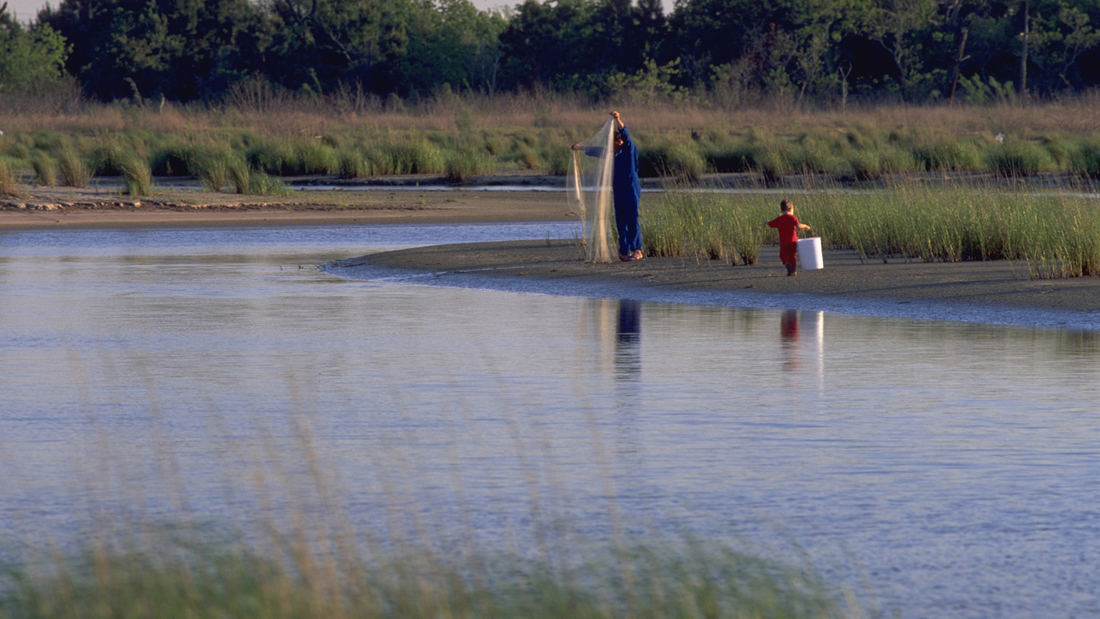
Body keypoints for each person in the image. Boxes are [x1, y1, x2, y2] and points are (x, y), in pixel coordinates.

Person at [572, 111, 644, 261]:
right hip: (618, 191)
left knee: (632, 219)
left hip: (631, 189)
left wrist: (618, 119)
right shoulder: (611, 153)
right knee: (620, 221)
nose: (617, 143)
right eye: (614, 142)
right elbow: (597, 151)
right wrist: (580, 147)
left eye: (619, 141)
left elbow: (626, 135)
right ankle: (624, 251)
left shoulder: (629, 150)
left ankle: (637, 250)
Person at [767, 199, 811, 276]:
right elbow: (799, 225)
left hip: (784, 242)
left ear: (781, 209)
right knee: (792, 256)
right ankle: (793, 270)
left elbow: (771, 224)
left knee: (782, 255)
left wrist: (767, 222)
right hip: (793, 241)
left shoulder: (780, 219)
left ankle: (787, 264)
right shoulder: (793, 218)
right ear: (791, 209)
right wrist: (806, 226)